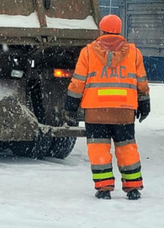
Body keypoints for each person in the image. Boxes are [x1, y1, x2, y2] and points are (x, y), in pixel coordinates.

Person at [63, 14, 150, 201]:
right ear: (119, 30)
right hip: (124, 111)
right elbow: (141, 82)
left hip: (95, 112)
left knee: (99, 150)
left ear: (101, 30)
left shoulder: (88, 52)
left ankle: (104, 189)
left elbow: (78, 83)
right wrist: (144, 103)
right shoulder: (134, 52)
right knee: (127, 149)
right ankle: (133, 188)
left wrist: (70, 106)